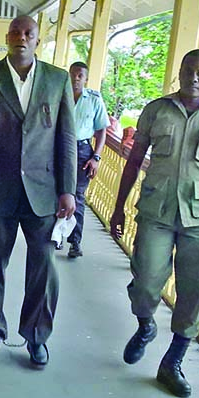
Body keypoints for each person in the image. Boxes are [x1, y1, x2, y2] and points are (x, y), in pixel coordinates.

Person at [109, 49, 199, 397]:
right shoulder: (156, 110)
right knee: (145, 281)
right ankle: (145, 326)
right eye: (189, 70)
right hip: (157, 209)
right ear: (179, 73)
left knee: (195, 287)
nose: (195, 77)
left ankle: (173, 361)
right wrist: (119, 206)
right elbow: (134, 159)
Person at [0, 15, 77, 367]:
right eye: (15, 32)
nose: (21, 38)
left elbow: (66, 138)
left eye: (28, 33)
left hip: (44, 190)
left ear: (38, 39)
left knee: (44, 267)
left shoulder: (57, 80)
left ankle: (36, 336)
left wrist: (68, 190)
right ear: (6, 38)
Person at [63, 61, 109, 258]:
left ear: (86, 78)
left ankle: (75, 242)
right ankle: (56, 236)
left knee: (77, 197)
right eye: (73, 74)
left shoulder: (94, 100)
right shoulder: (59, 95)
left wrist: (96, 157)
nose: (76, 78)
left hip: (82, 150)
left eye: (80, 75)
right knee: (55, 193)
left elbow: (101, 130)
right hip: (58, 148)